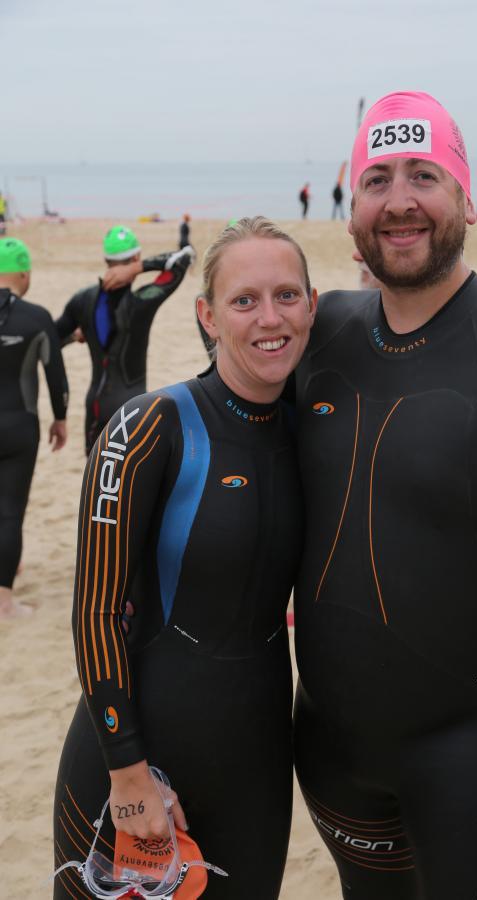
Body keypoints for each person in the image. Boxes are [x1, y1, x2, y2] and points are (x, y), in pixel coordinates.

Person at [292, 91, 477, 898]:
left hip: (473, 768)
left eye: (423, 176)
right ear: (353, 205)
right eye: (377, 179)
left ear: (465, 196)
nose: (399, 201)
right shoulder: (321, 335)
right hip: (326, 758)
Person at [53, 216, 317, 899]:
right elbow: (95, 610)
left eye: (288, 295)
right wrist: (128, 771)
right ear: (206, 315)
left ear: (312, 307)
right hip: (134, 759)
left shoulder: (317, 434)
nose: (270, 318)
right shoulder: (148, 429)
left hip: (257, 758)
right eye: (244, 300)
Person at [55, 225, 194, 454]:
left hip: (95, 407)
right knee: (134, 484)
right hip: (133, 407)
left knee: (95, 482)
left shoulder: (82, 300)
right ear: (136, 257)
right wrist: (139, 268)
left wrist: (75, 336)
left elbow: (51, 340)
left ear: (106, 260)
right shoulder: (141, 303)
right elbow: (183, 257)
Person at [0, 238, 68, 619]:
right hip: (18, 427)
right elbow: (56, 376)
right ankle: (4, 603)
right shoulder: (36, 317)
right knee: (9, 511)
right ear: (23, 274)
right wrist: (60, 417)